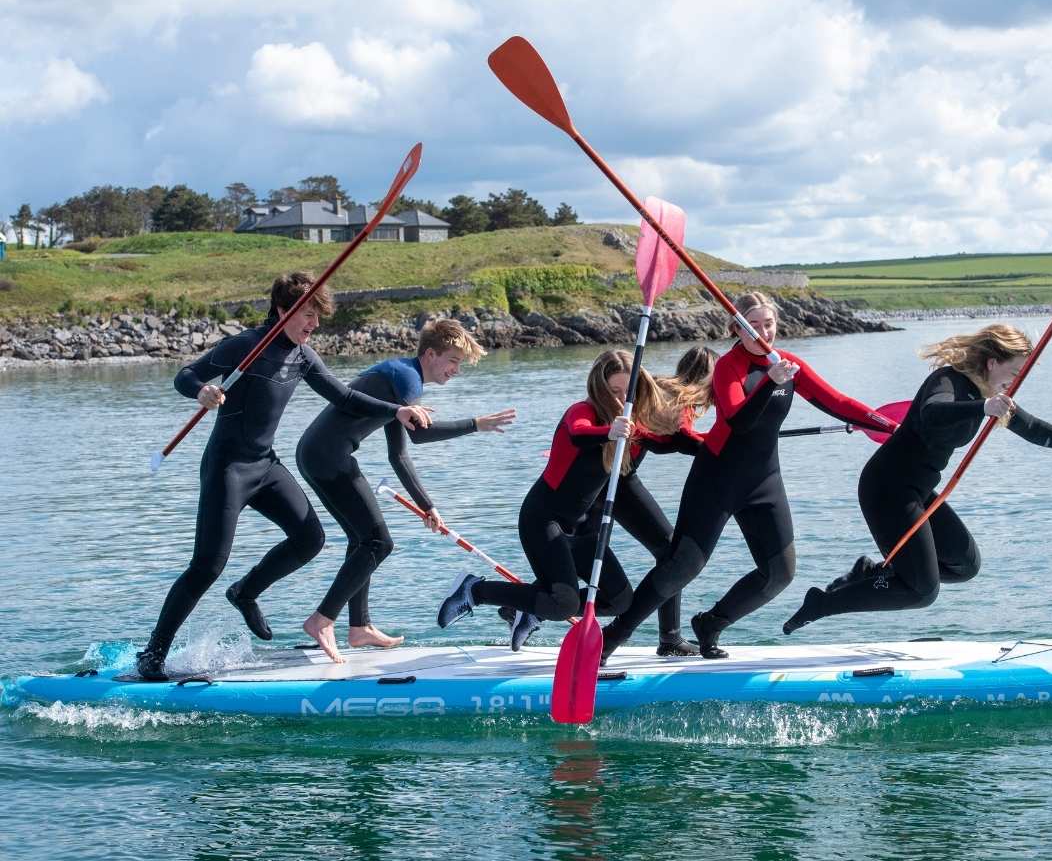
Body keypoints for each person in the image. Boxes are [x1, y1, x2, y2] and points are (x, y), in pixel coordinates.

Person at [136, 272, 418, 681]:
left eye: (318, 316)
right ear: (283, 310)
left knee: (310, 538)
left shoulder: (302, 356)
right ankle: (153, 655)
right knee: (207, 565)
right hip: (228, 468)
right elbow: (185, 375)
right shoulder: (245, 346)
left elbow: (345, 397)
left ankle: (245, 592)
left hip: (265, 464)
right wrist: (201, 392)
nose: (314, 324)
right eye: (307, 314)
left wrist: (396, 411)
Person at [601, 291, 896, 662]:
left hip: (764, 482)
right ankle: (612, 637)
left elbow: (838, 403)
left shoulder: (789, 364)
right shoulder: (729, 366)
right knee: (683, 565)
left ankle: (711, 623)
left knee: (780, 573)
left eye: (768, 324)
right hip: (717, 479)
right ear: (735, 329)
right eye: (752, 325)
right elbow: (739, 421)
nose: (762, 333)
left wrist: (891, 427)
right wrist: (772, 381)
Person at [784, 323, 1052, 632]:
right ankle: (823, 603)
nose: (1016, 380)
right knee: (922, 591)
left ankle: (870, 573)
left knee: (964, 565)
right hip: (886, 488)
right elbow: (932, 414)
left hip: (917, 490)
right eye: (1015, 370)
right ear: (992, 362)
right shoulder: (948, 381)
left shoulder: (990, 396)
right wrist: (982, 408)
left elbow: (1032, 429)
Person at [436, 349, 702, 642]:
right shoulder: (582, 411)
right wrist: (610, 432)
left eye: (630, 390)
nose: (624, 398)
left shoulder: (633, 424)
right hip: (543, 520)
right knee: (564, 603)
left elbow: (671, 443)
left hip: (583, 530)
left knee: (620, 601)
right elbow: (579, 433)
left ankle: (531, 609)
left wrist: (726, 447)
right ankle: (474, 591)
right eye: (615, 390)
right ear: (599, 388)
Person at [295, 319, 515, 662]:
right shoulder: (407, 379)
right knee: (379, 542)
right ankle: (323, 620)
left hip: (319, 454)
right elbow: (420, 434)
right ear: (430, 354)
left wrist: (427, 505)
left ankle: (360, 628)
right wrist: (476, 424)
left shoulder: (402, 378)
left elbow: (398, 455)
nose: (456, 370)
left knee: (362, 541)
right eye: (453, 361)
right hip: (326, 457)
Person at [563, 345, 719, 657]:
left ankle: (529, 609)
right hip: (613, 481)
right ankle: (669, 637)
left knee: (643, 562)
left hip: (611, 478)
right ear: (708, 382)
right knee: (671, 553)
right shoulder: (680, 400)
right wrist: (722, 446)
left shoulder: (657, 386)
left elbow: (663, 440)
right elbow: (684, 436)